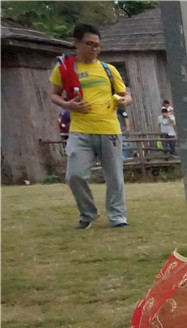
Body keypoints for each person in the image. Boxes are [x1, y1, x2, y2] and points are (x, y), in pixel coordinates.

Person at [48, 23, 132, 229]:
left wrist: (124, 101)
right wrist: (68, 105)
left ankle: (118, 217)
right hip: (80, 130)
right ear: (76, 43)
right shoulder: (65, 69)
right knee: (74, 175)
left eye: (97, 45)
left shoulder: (108, 69)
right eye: (89, 44)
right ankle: (88, 213)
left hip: (109, 129)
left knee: (114, 177)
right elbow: (53, 94)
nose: (94, 48)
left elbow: (126, 95)